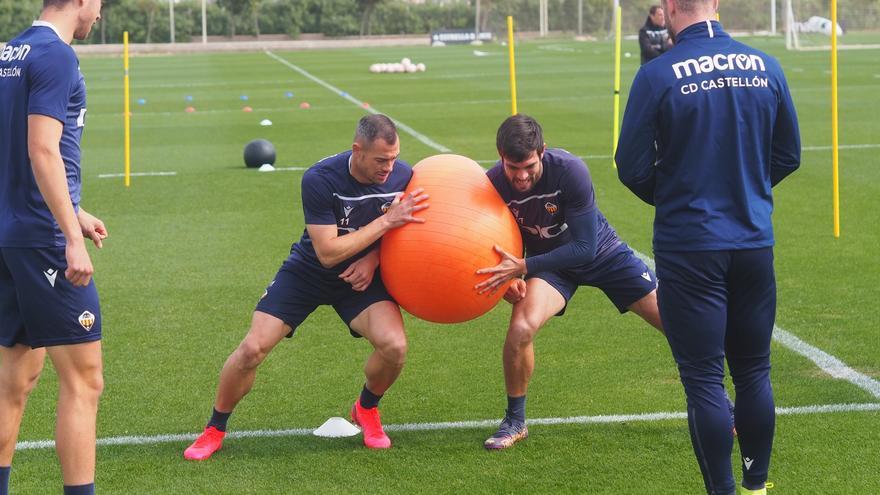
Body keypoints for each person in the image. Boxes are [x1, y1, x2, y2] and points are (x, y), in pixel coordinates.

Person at [615, 0, 800, 491]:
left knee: (703, 380)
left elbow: (630, 166)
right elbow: (788, 155)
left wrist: (677, 197)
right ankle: (757, 486)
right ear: (716, 3)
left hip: (690, 244)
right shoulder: (766, 65)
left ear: (671, 7)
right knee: (754, 370)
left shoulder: (658, 74)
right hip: (753, 239)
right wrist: (748, 192)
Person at [183, 115, 428, 459]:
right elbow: (327, 253)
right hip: (309, 273)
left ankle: (367, 408)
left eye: (394, 157)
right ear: (357, 150)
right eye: (380, 160)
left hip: (361, 278)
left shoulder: (404, 174)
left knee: (395, 348)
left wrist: (373, 259)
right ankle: (214, 428)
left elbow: (414, 230)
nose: (389, 167)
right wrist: (387, 220)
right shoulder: (320, 178)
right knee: (252, 349)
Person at [474, 114, 663, 450]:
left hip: (601, 253)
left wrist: (523, 266)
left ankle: (719, 404)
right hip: (549, 268)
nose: (520, 176)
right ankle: (515, 422)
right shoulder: (491, 184)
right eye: (511, 167)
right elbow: (483, 238)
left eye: (528, 166)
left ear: (542, 151)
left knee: (675, 320)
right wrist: (507, 282)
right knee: (520, 330)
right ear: (500, 155)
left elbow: (584, 247)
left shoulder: (570, 170)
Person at [0, 2, 106, 495]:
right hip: (41, 240)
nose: (99, 15)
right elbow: (41, 148)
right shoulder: (57, 56)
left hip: (8, 234)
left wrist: (77, 213)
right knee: (84, 382)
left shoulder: (9, 51)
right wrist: (68, 234)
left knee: (14, 381)